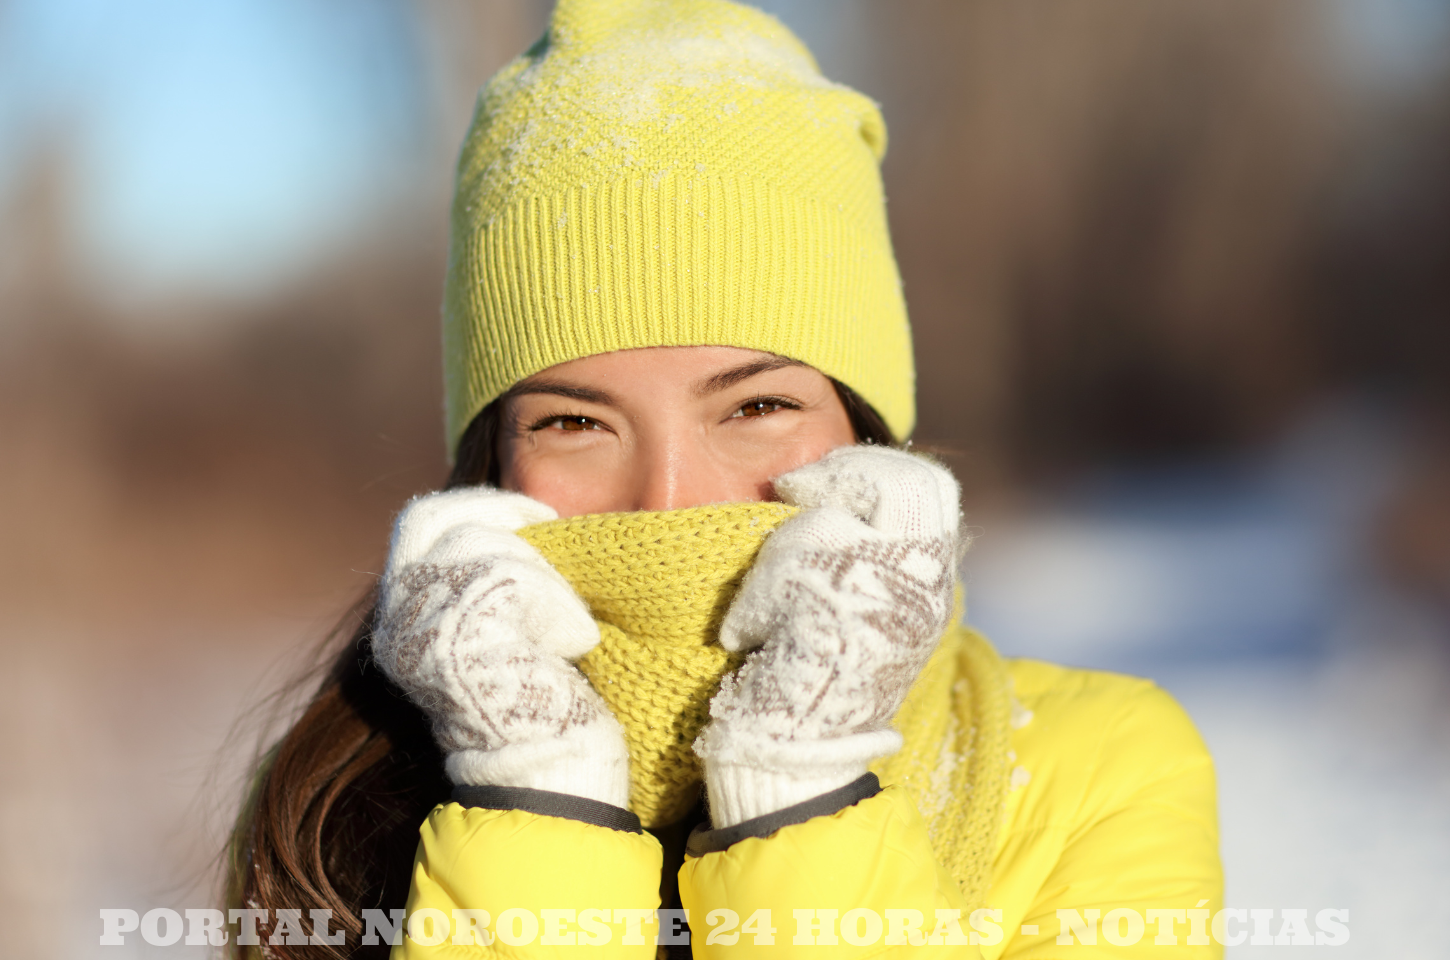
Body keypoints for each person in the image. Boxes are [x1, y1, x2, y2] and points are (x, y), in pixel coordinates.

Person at [227, 1, 1222, 957]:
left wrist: (797, 788)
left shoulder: (1094, 770)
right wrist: (530, 796)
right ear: (491, 460)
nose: (668, 497)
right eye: (575, 422)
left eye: (754, 408)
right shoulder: (334, 804)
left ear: (865, 428)